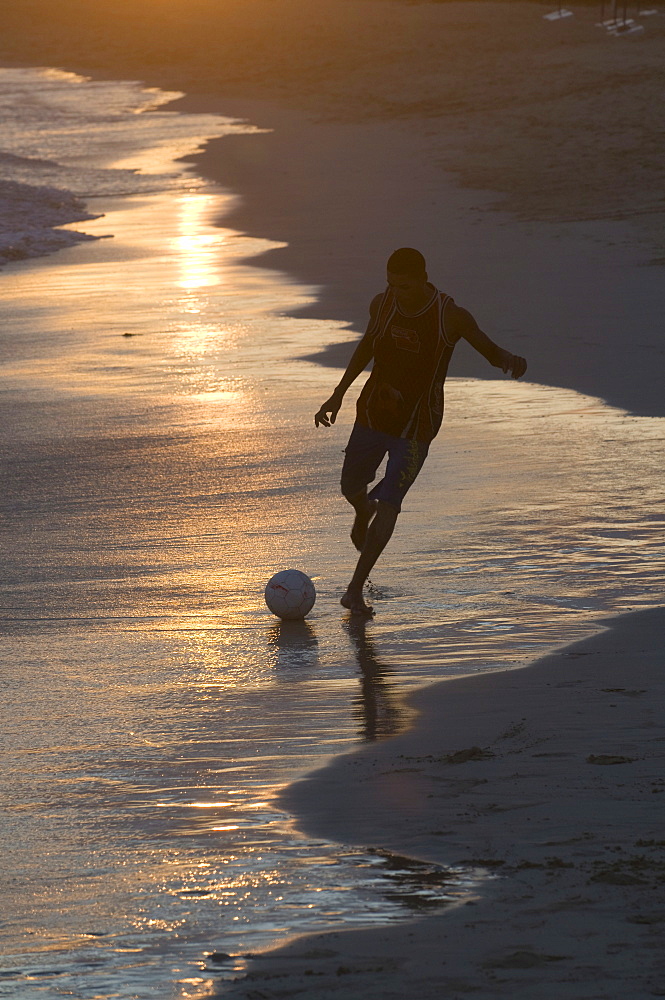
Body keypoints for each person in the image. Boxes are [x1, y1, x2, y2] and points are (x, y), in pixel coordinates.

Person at [314, 247, 527, 616]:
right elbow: (366, 346)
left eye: (406, 287)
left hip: (417, 426)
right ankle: (361, 508)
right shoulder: (382, 304)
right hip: (372, 414)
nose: (398, 293)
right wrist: (337, 394)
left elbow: (489, 350)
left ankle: (354, 590)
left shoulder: (449, 316)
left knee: (392, 505)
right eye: (392, 286)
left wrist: (509, 359)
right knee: (350, 487)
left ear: (424, 280)